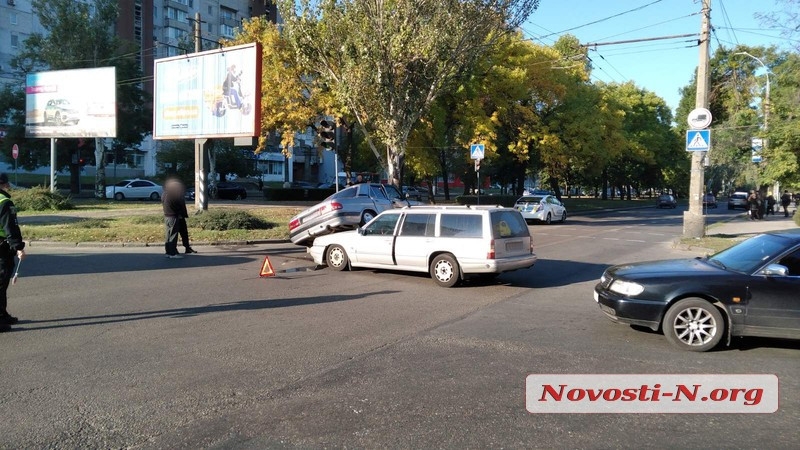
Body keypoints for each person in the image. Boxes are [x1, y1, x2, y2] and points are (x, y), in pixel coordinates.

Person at [0, 173, 26, 330]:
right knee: (1, 283)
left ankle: (2, 314)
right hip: (1, 249)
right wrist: (18, 247)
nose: (8, 186)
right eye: (6, 184)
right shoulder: (4, 202)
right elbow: (10, 227)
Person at [162, 179, 193, 258]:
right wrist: (180, 214)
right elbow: (178, 206)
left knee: (168, 235)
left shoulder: (164, 194)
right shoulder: (174, 195)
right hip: (174, 216)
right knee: (173, 235)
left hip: (167, 216)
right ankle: (173, 253)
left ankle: (168, 251)